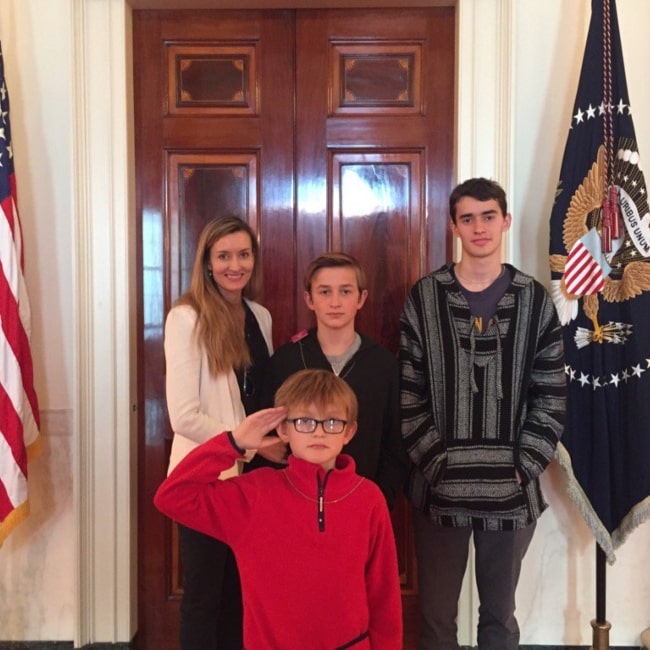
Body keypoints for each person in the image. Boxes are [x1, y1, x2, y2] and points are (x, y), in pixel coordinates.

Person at [399, 177, 566, 650]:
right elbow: (409, 393)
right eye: (467, 218)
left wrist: (522, 465)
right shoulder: (424, 298)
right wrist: (437, 466)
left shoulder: (534, 302)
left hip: (511, 492)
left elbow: (551, 394)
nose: (479, 227)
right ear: (454, 226)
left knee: (499, 618)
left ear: (505, 221)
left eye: (488, 216)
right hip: (438, 490)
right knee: (435, 620)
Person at [154, 369, 403, 649]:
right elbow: (173, 496)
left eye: (332, 421)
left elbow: (384, 597)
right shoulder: (253, 494)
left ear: (349, 431)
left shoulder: (368, 499)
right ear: (283, 429)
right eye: (305, 421)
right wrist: (234, 442)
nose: (319, 431)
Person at [163, 216, 273, 650]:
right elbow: (184, 416)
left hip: (255, 480)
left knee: (241, 595)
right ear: (207, 262)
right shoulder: (186, 317)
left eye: (243, 254)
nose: (235, 265)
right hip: (206, 480)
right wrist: (243, 443)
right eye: (223, 256)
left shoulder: (259, 315)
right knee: (204, 597)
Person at [248, 252, 407, 510]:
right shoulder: (286, 361)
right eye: (324, 292)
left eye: (345, 292)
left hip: (360, 505)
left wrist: (379, 498)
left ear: (361, 298)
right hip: (293, 506)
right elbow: (267, 436)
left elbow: (395, 444)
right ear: (309, 299)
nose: (335, 302)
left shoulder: (383, 365)